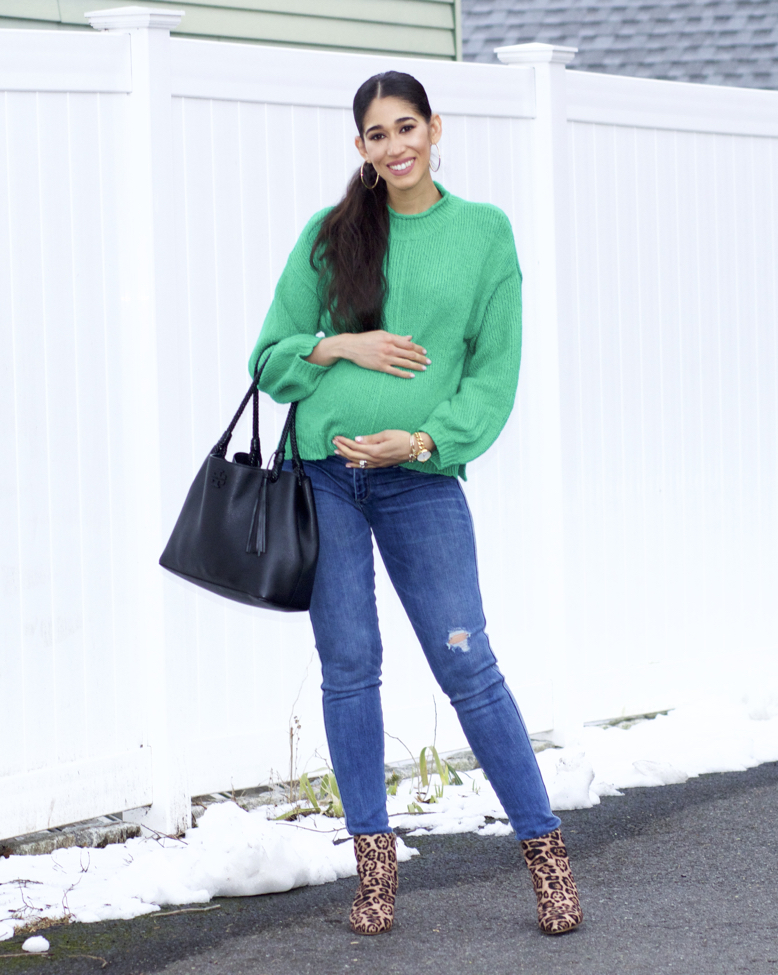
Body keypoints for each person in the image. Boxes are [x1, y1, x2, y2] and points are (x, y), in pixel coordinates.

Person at [249, 71, 582, 937]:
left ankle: (547, 857)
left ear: (436, 128)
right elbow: (270, 359)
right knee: (350, 667)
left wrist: (425, 441)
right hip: (324, 478)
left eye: (408, 127)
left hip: (420, 479)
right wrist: (339, 343)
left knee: (467, 663)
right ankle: (375, 871)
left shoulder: (482, 234)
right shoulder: (329, 238)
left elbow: (491, 373)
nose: (395, 146)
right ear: (358, 146)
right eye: (376, 133)